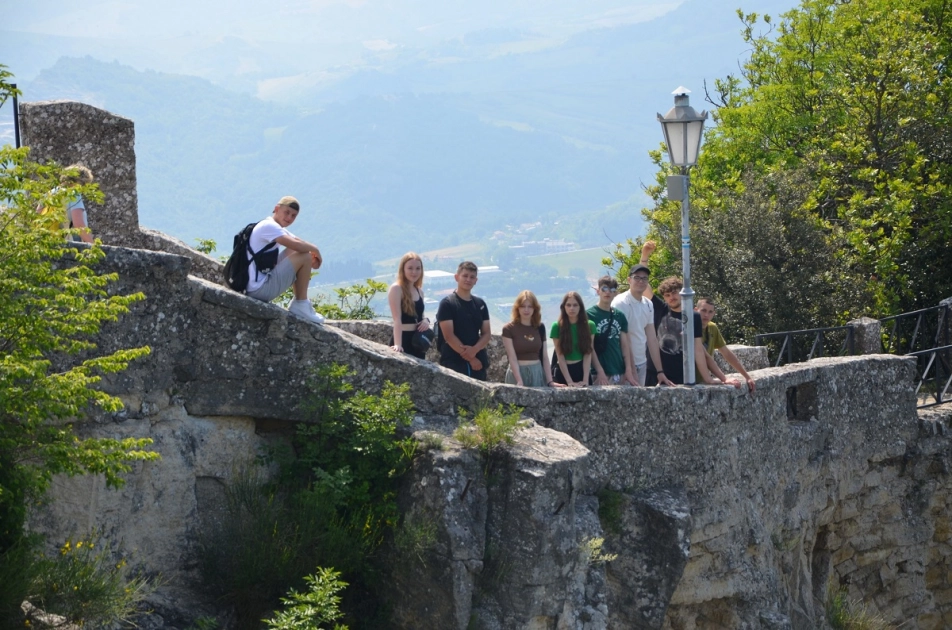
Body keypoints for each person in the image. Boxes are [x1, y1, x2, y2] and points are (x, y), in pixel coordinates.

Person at [645, 276, 741, 387]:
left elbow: (698, 350)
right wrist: (644, 258)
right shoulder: (660, 308)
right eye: (667, 295)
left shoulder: (693, 316)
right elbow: (643, 283)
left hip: (680, 374)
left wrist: (709, 379)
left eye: (674, 293)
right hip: (655, 374)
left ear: (682, 293)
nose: (671, 297)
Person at [244, 196, 325, 325]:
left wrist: (311, 252)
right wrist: (316, 250)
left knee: (300, 251)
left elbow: (298, 242)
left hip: (255, 286)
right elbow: (298, 246)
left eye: (293, 216)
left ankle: (300, 303)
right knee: (304, 256)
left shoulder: (273, 226)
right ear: (276, 209)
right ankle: (301, 303)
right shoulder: (269, 226)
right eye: (286, 212)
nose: (289, 218)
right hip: (258, 290)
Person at [611, 262, 672, 386]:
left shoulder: (648, 304)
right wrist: (630, 367)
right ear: (629, 280)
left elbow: (652, 339)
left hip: (641, 362)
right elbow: (621, 339)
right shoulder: (620, 303)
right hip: (621, 364)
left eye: (644, 278)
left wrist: (660, 371)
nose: (641, 281)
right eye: (637, 278)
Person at [437, 261, 491, 380]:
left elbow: (486, 333)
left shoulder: (480, 304)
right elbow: (449, 336)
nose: (468, 279)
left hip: (478, 363)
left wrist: (475, 350)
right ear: (457, 277)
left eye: (472, 277)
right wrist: (471, 358)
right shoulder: (447, 304)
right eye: (465, 276)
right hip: (453, 362)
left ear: (476, 281)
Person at [501, 290, 563, 388]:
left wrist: (550, 381)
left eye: (530, 306)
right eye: (523, 306)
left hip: (537, 372)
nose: (526, 310)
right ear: (517, 308)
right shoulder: (509, 329)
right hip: (517, 373)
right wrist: (519, 381)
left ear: (535, 308)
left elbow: (545, 357)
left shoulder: (540, 327)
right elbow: (512, 357)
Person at [696, 297, 756, 393]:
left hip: (702, 381)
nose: (706, 315)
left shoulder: (712, 328)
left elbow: (726, 353)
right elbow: (706, 357)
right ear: (696, 310)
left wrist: (747, 377)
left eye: (710, 312)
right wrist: (724, 379)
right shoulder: (690, 328)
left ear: (714, 313)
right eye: (703, 310)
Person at [588, 275, 637, 386]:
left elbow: (625, 345)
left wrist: (628, 370)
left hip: (619, 371)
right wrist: (600, 371)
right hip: (598, 373)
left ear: (616, 293)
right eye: (604, 289)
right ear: (598, 291)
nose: (608, 292)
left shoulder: (620, 316)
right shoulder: (589, 315)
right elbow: (589, 347)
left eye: (612, 290)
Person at [388, 252, 431, 358]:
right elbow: (397, 319)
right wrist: (397, 344)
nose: (414, 272)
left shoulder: (420, 291)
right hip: (403, 338)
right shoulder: (396, 289)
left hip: (418, 341)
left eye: (418, 268)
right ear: (403, 269)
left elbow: (421, 315)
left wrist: (426, 321)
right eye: (410, 268)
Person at [550, 291, 597, 388]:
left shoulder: (589, 326)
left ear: (580, 307)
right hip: (563, 371)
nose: (572, 308)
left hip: (581, 369)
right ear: (564, 307)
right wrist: (569, 382)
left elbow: (588, 353)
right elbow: (560, 355)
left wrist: (585, 380)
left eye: (575, 305)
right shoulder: (557, 326)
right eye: (569, 305)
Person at [39, 164, 95, 242]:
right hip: (68, 244)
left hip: (47, 243)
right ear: (80, 181)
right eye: (84, 184)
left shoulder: (48, 195)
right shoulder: (73, 193)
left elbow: (37, 219)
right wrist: (93, 245)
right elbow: (79, 225)